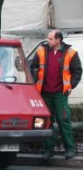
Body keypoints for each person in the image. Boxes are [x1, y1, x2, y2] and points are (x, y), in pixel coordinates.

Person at [30, 29, 82, 160]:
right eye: (48, 38)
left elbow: (77, 71)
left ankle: (70, 149)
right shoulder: (41, 51)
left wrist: (71, 85)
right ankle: (49, 150)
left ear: (59, 40)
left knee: (63, 121)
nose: (48, 40)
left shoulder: (71, 53)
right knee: (47, 122)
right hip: (45, 93)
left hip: (60, 94)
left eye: (51, 38)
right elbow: (32, 68)